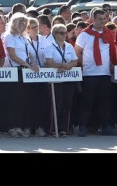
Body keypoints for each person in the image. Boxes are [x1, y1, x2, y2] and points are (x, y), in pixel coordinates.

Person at [75, 8, 117, 137]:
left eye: (104, 19)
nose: (102, 22)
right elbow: (77, 52)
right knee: (87, 101)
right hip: (89, 73)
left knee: (104, 101)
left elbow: (112, 52)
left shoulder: (108, 33)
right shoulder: (85, 34)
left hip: (104, 73)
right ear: (92, 19)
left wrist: (112, 65)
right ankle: (83, 126)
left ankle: (105, 125)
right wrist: (83, 65)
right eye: (99, 19)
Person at [45, 24, 78, 137]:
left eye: (65, 32)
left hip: (68, 79)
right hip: (55, 80)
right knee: (56, 104)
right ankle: (53, 128)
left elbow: (75, 61)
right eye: (61, 33)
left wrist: (68, 65)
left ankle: (64, 128)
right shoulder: (50, 47)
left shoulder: (69, 46)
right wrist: (61, 65)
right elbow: (49, 62)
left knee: (67, 104)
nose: (64, 35)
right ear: (55, 34)